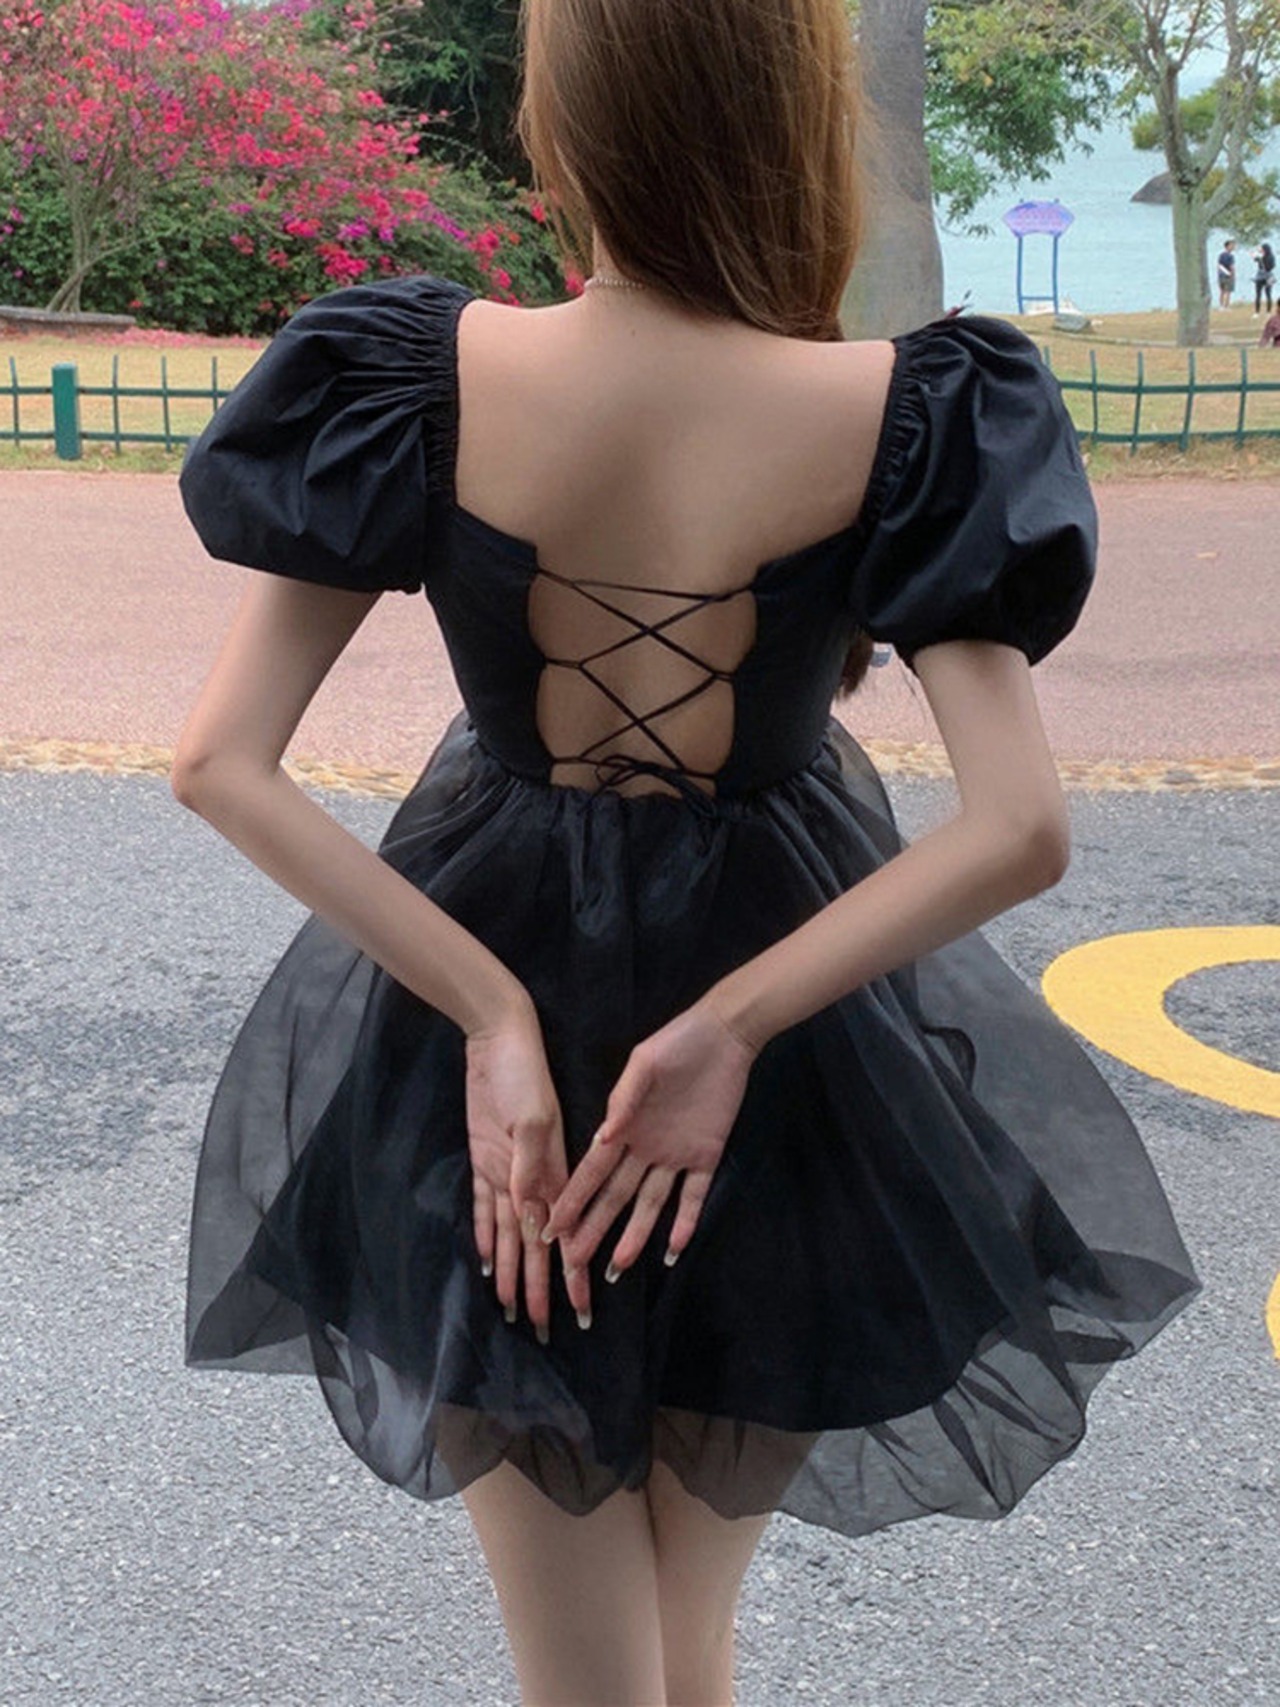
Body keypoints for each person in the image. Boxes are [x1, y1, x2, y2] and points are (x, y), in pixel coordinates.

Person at [172, 1, 1201, 1701]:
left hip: (500, 1047)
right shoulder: (911, 406)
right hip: (791, 1046)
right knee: (683, 1639)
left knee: (593, 1673)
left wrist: (491, 1011)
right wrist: (729, 1026)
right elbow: (1019, 825)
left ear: (564, 121)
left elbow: (222, 761)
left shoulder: (420, 373)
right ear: (791, 123)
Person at [1252, 241, 1276, 315]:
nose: (1261, 250)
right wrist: (1255, 255)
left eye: (1262, 249)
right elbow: (1255, 259)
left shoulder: (1270, 257)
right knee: (1258, 294)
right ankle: (1257, 312)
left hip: (1268, 276)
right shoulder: (1261, 256)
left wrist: (1262, 259)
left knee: (1268, 294)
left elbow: (1269, 267)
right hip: (1260, 276)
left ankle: (1268, 311)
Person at [1218, 238, 1237, 307]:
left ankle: (1221, 306)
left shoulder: (1221, 255)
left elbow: (1219, 265)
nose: (1233, 247)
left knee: (1222, 291)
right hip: (1228, 275)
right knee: (1228, 291)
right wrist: (1233, 275)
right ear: (1227, 246)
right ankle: (1226, 306)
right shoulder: (1230, 256)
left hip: (1221, 275)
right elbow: (1231, 266)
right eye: (1232, 245)